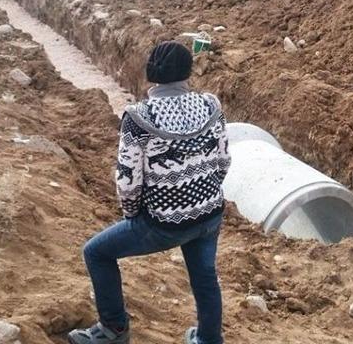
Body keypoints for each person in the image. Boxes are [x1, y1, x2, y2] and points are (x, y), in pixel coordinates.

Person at [69, 41, 231, 344]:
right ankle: (209, 339)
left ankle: (113, 329)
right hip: (210, 213)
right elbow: (223, 161)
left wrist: (134, 216)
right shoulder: (211, 105)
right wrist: (202, 192)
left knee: (96, 253)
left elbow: (129, 180)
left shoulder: (139, 117)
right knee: (205, 277)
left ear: (150, 73)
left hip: (164, 224)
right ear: (188, 71)